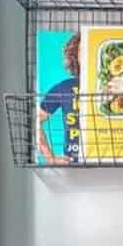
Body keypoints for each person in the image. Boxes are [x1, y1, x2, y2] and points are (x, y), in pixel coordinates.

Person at [37, 32, 82, 164]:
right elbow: (35, 121)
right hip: (73, 166)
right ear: (75, 56)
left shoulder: (114, 87)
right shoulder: (64, 88)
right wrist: (50, 157)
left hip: (113, 162)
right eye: (83, 50)